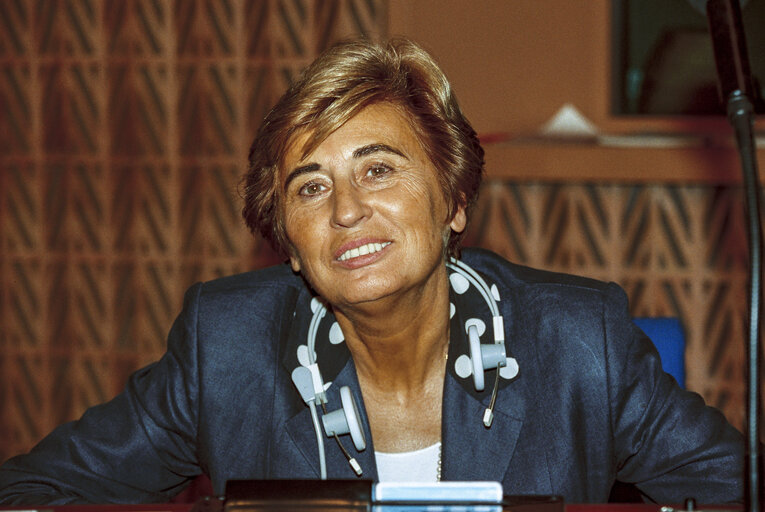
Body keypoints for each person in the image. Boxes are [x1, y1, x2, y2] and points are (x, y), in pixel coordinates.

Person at [0, 38, 744, 505]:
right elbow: (32, 489)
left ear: (453, 200)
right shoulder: (224, 349)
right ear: (288, 243)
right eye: (310, 186)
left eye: (378, 169)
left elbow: (738, 490)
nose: (346, 210)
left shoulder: (581, 341)